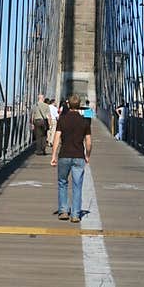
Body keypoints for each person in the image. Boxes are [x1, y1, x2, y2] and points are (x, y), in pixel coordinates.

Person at [51, 92, 91, 224]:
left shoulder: (62, 119)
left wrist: (53, 155)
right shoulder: (85, 121)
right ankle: (75, 214)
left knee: (62, 183)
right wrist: (87, 155)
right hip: (79, 156)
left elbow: (56, 137)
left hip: (64, 155)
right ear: (79, 105)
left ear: (68, 104)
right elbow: (89, 142)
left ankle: (63, 211)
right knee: (77, 185)